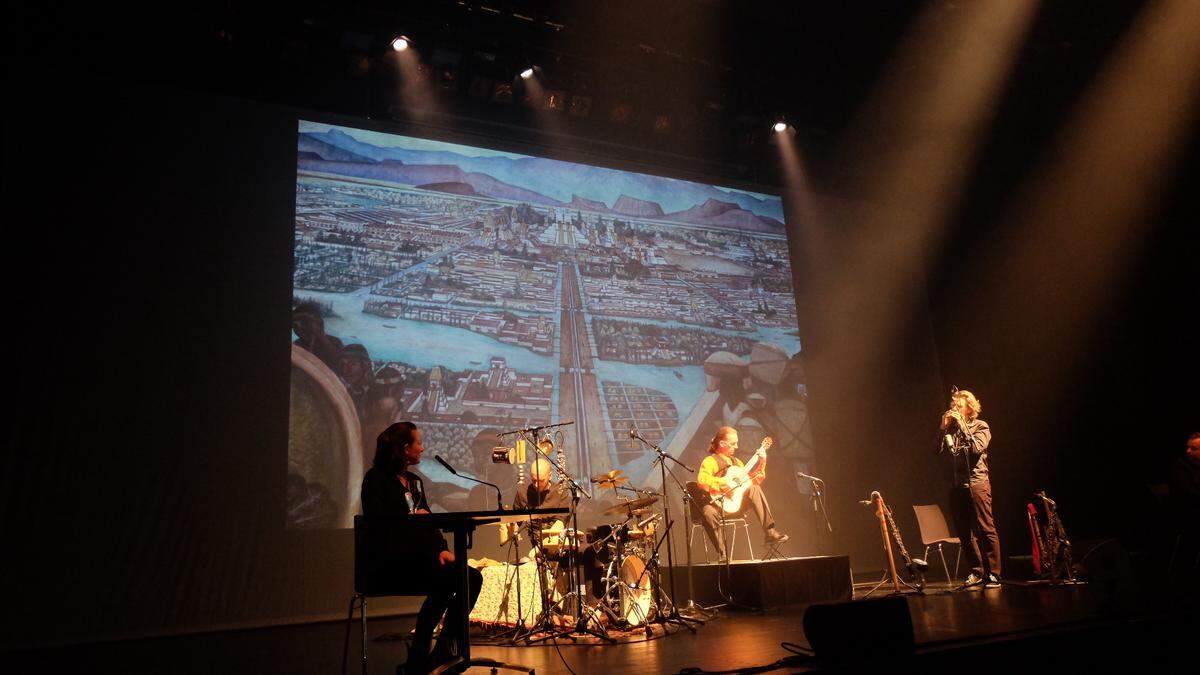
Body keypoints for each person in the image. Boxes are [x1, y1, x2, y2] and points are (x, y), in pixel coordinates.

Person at [360, 422, 482, 675]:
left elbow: (428, 523)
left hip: (420, 558)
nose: (423, 448)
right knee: (448, 582)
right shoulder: (376, 479)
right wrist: (414, 519)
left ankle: (438, 649)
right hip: (389, 563)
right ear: (405, 449)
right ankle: (429, 654)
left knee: (469, 577)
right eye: (418, 443)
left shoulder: (415, 481)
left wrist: (441, 548)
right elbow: (381, 526)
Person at [695, 426, 789, 560]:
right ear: (722, 444)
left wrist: (762, 462)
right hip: (716, 504)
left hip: (736, 504)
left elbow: (753, 480)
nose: (737, 446)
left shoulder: (737, 463)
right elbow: (702, 480)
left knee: (754, 488)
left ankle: (770, 532)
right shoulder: (710, 461)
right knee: (708, 513)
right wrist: (723, 483)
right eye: (733, 443)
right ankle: (723, 554)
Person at [939, 389, 1001, 589]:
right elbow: (935, 451)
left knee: (985, 528)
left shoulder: (981, 426)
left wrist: (963, 426)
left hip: (977, 483)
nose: (954, 408)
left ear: (969, 408)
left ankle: (993, 573)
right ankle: (976, 571)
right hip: (956, 486)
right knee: (964, 533)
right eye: (953, 404)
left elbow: (976, 449)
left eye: (959, 405)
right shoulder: (950, 430)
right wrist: (942, 429)